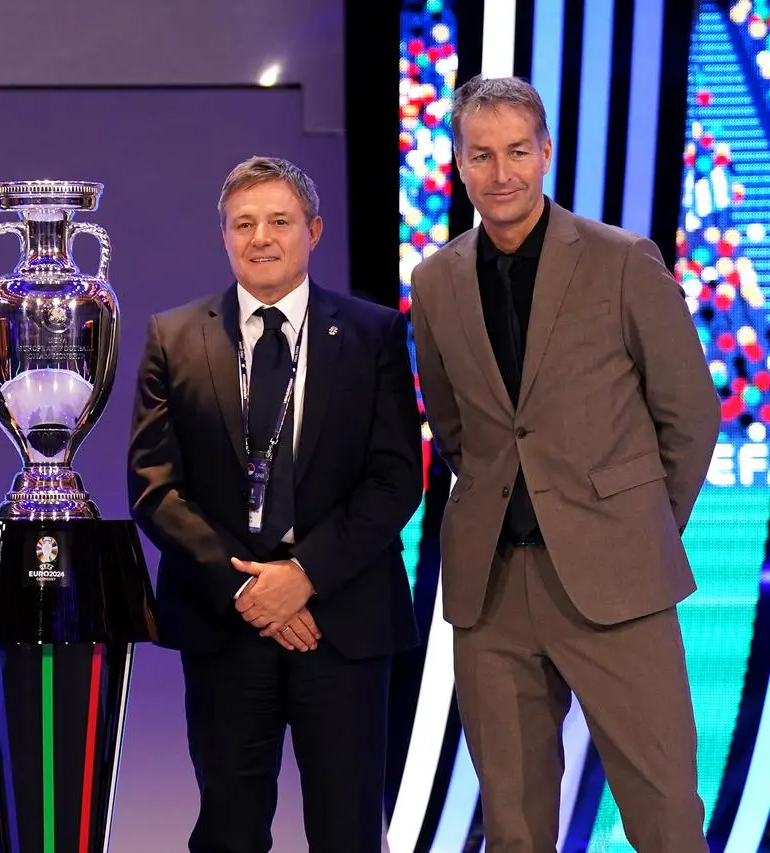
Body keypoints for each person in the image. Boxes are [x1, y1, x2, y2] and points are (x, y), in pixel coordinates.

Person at [411, 75, 719, 852]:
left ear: (545, 153)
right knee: (512, 823)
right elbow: (454, 427)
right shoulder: (435, 279)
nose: (501, 172)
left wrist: (635, 527)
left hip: (616, 578)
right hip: (492, 589)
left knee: (662, 809)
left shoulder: (620, 260)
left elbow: (688, 413)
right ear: (457, 164)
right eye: (481, 155)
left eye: (517, 151)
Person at [127, 155, 422, 852]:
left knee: (347, 828)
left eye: (279, 221)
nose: (261, 237)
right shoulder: (173, 336)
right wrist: (248, 589)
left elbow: (394, 479)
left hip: (342, 621)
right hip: (225, 625)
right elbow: (153, 486)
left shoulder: (372, 333)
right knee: (228, 825)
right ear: (223, 236)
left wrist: (302, 577)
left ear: (312, 231)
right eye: (243, 223)